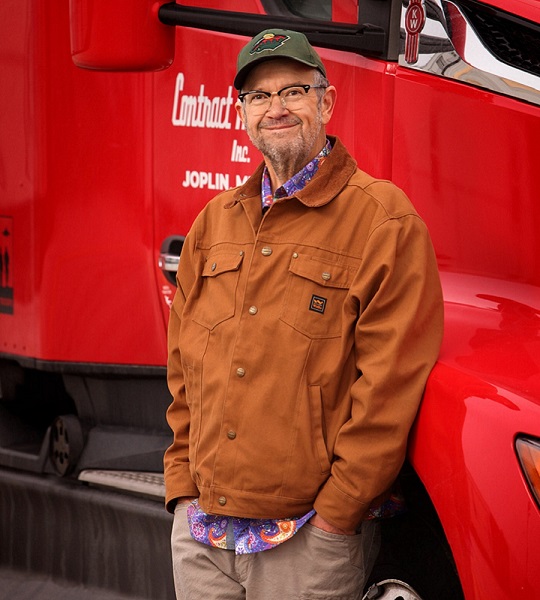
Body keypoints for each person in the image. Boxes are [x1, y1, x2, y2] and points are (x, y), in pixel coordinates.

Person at [164, 28, 444, 600]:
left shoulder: (383, 220)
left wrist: (340, 514)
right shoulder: (212, 224)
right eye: (260, 96)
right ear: (242, 112)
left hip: (307, 542)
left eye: (293, 90)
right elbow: (183, 368)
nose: (277, 108)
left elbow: (390, 388)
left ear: (327, 101)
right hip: (203, 537)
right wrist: (181, 489)